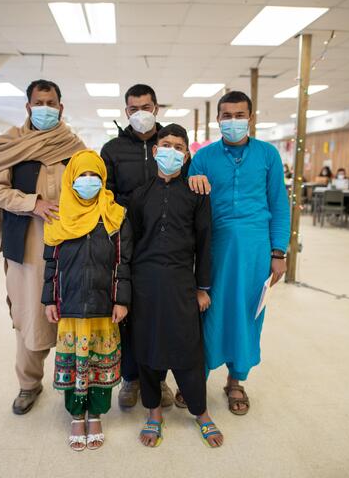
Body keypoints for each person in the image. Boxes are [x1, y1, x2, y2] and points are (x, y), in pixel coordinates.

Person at [100, 84, 210, 408]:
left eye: (145, 107)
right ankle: (132, 380)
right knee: (135, 324)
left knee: (175, 328)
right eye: (133, 109)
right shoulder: (113, 150)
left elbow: (196, 216)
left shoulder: (176, 152)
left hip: (175, 263)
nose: (140, 114)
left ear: (156, 108)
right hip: (132, 246)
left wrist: (199, 177)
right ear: (126, 112)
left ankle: (162, 382)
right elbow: (105, 193)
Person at [0, 79, 86, 416]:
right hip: (28, 246)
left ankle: (76, 383)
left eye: (51, 102)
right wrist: (32, 202)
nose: (45, 107)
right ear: (28, 107)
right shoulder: (9, 145)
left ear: (61, 106)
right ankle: (29, 384)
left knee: (73, 314)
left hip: (71, 247)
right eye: (39, 102)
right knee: (30, 315)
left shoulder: (74, 145)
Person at [186, 91, 290, 415]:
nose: (233, 120)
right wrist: (193, 179)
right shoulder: (203, 158)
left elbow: (279, 204)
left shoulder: (268, 154)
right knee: (208, 314)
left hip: (255, 251)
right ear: (218, 119)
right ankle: (195, 380)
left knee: (247, 316)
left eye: (239, 114)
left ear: (251, 117)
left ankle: (235, 381)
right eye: (227, 115)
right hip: (214, 249)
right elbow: (188, 201)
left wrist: (279, 252)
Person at [129, 124, 223, 448]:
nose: (171, 150)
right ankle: (154, 412)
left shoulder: (197, 194)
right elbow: (131, 245)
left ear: (186, 155)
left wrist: (202, 288)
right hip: (145, 283)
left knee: (188, 348)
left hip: (182, 282)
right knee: (148, 347)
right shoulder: (139, 196)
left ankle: (201, 412)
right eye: (165, 144)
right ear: (156, 151)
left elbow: (204, 243)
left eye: (178, 147)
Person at [41, 150, 131, 451]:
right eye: (82, 175)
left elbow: (122, 262)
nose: (88, 181)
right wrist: (50, 300)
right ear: (71, 179)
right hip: (70, 306)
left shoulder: (115, 214)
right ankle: (76, 414)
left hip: (104, 308)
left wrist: (121, 300)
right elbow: (51, 265)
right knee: (76, 363)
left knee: (99, 363)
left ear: (103, 179)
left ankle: (96, 414)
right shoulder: (59, 216)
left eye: (95, 175)